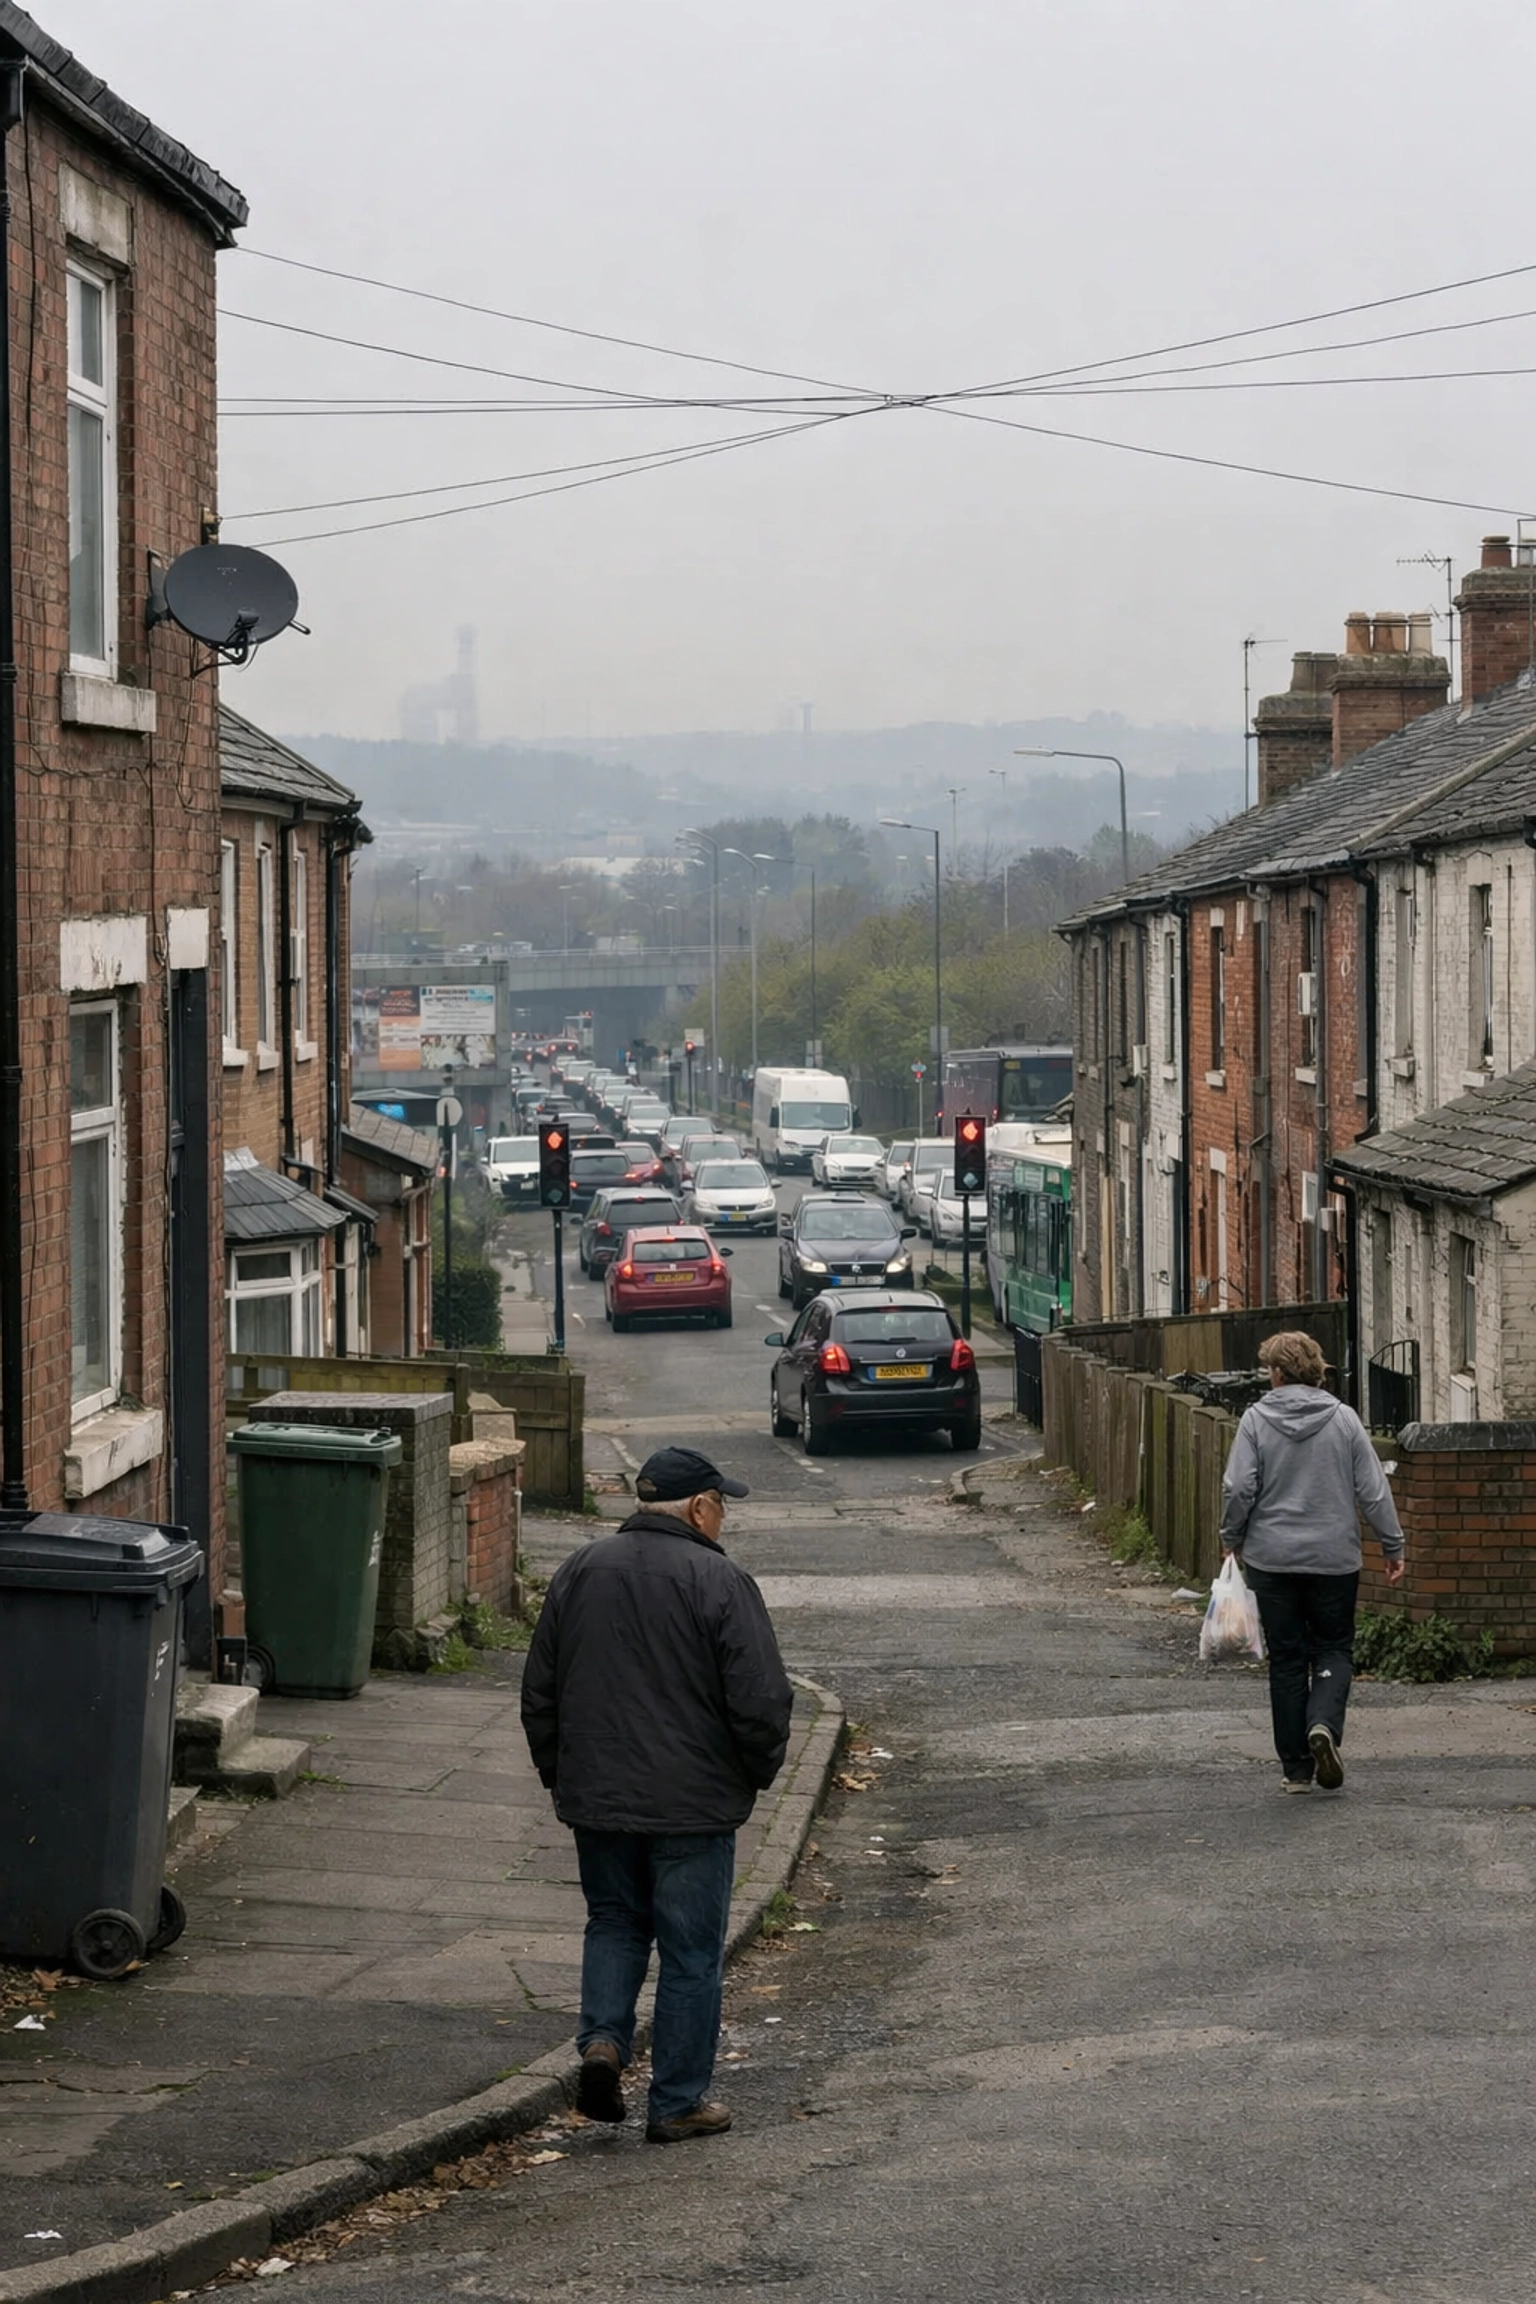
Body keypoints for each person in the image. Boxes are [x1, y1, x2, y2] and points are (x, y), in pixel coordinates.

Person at [520, 1446, 793, 2143]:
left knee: (614, 1922)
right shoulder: (721, 1581)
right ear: (699, 1508)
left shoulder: (579, 1570)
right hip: (692, 1806)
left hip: (598, 1797)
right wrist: (754, 1774)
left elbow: (540, 1691)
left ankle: (603, 2045)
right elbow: (761, 1700)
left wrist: (561, 1775)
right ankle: (675, 2102)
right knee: (690, 1954)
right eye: (721, 1505)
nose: (723, 1518)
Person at [1218, 1330, 1405, 1794]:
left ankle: (1297, 1771)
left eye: (1270, 1369)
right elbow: (1373, 1490)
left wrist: (1231, 1537)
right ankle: (1322, 1724)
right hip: (1333, 1559)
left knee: (1286, 1659)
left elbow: (1238, 1487)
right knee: (1333, 1648)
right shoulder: (1343, 1419)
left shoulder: (1255, 1420)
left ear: (1279, 1373)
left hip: (1272, 1560)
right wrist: (1392, 1544)